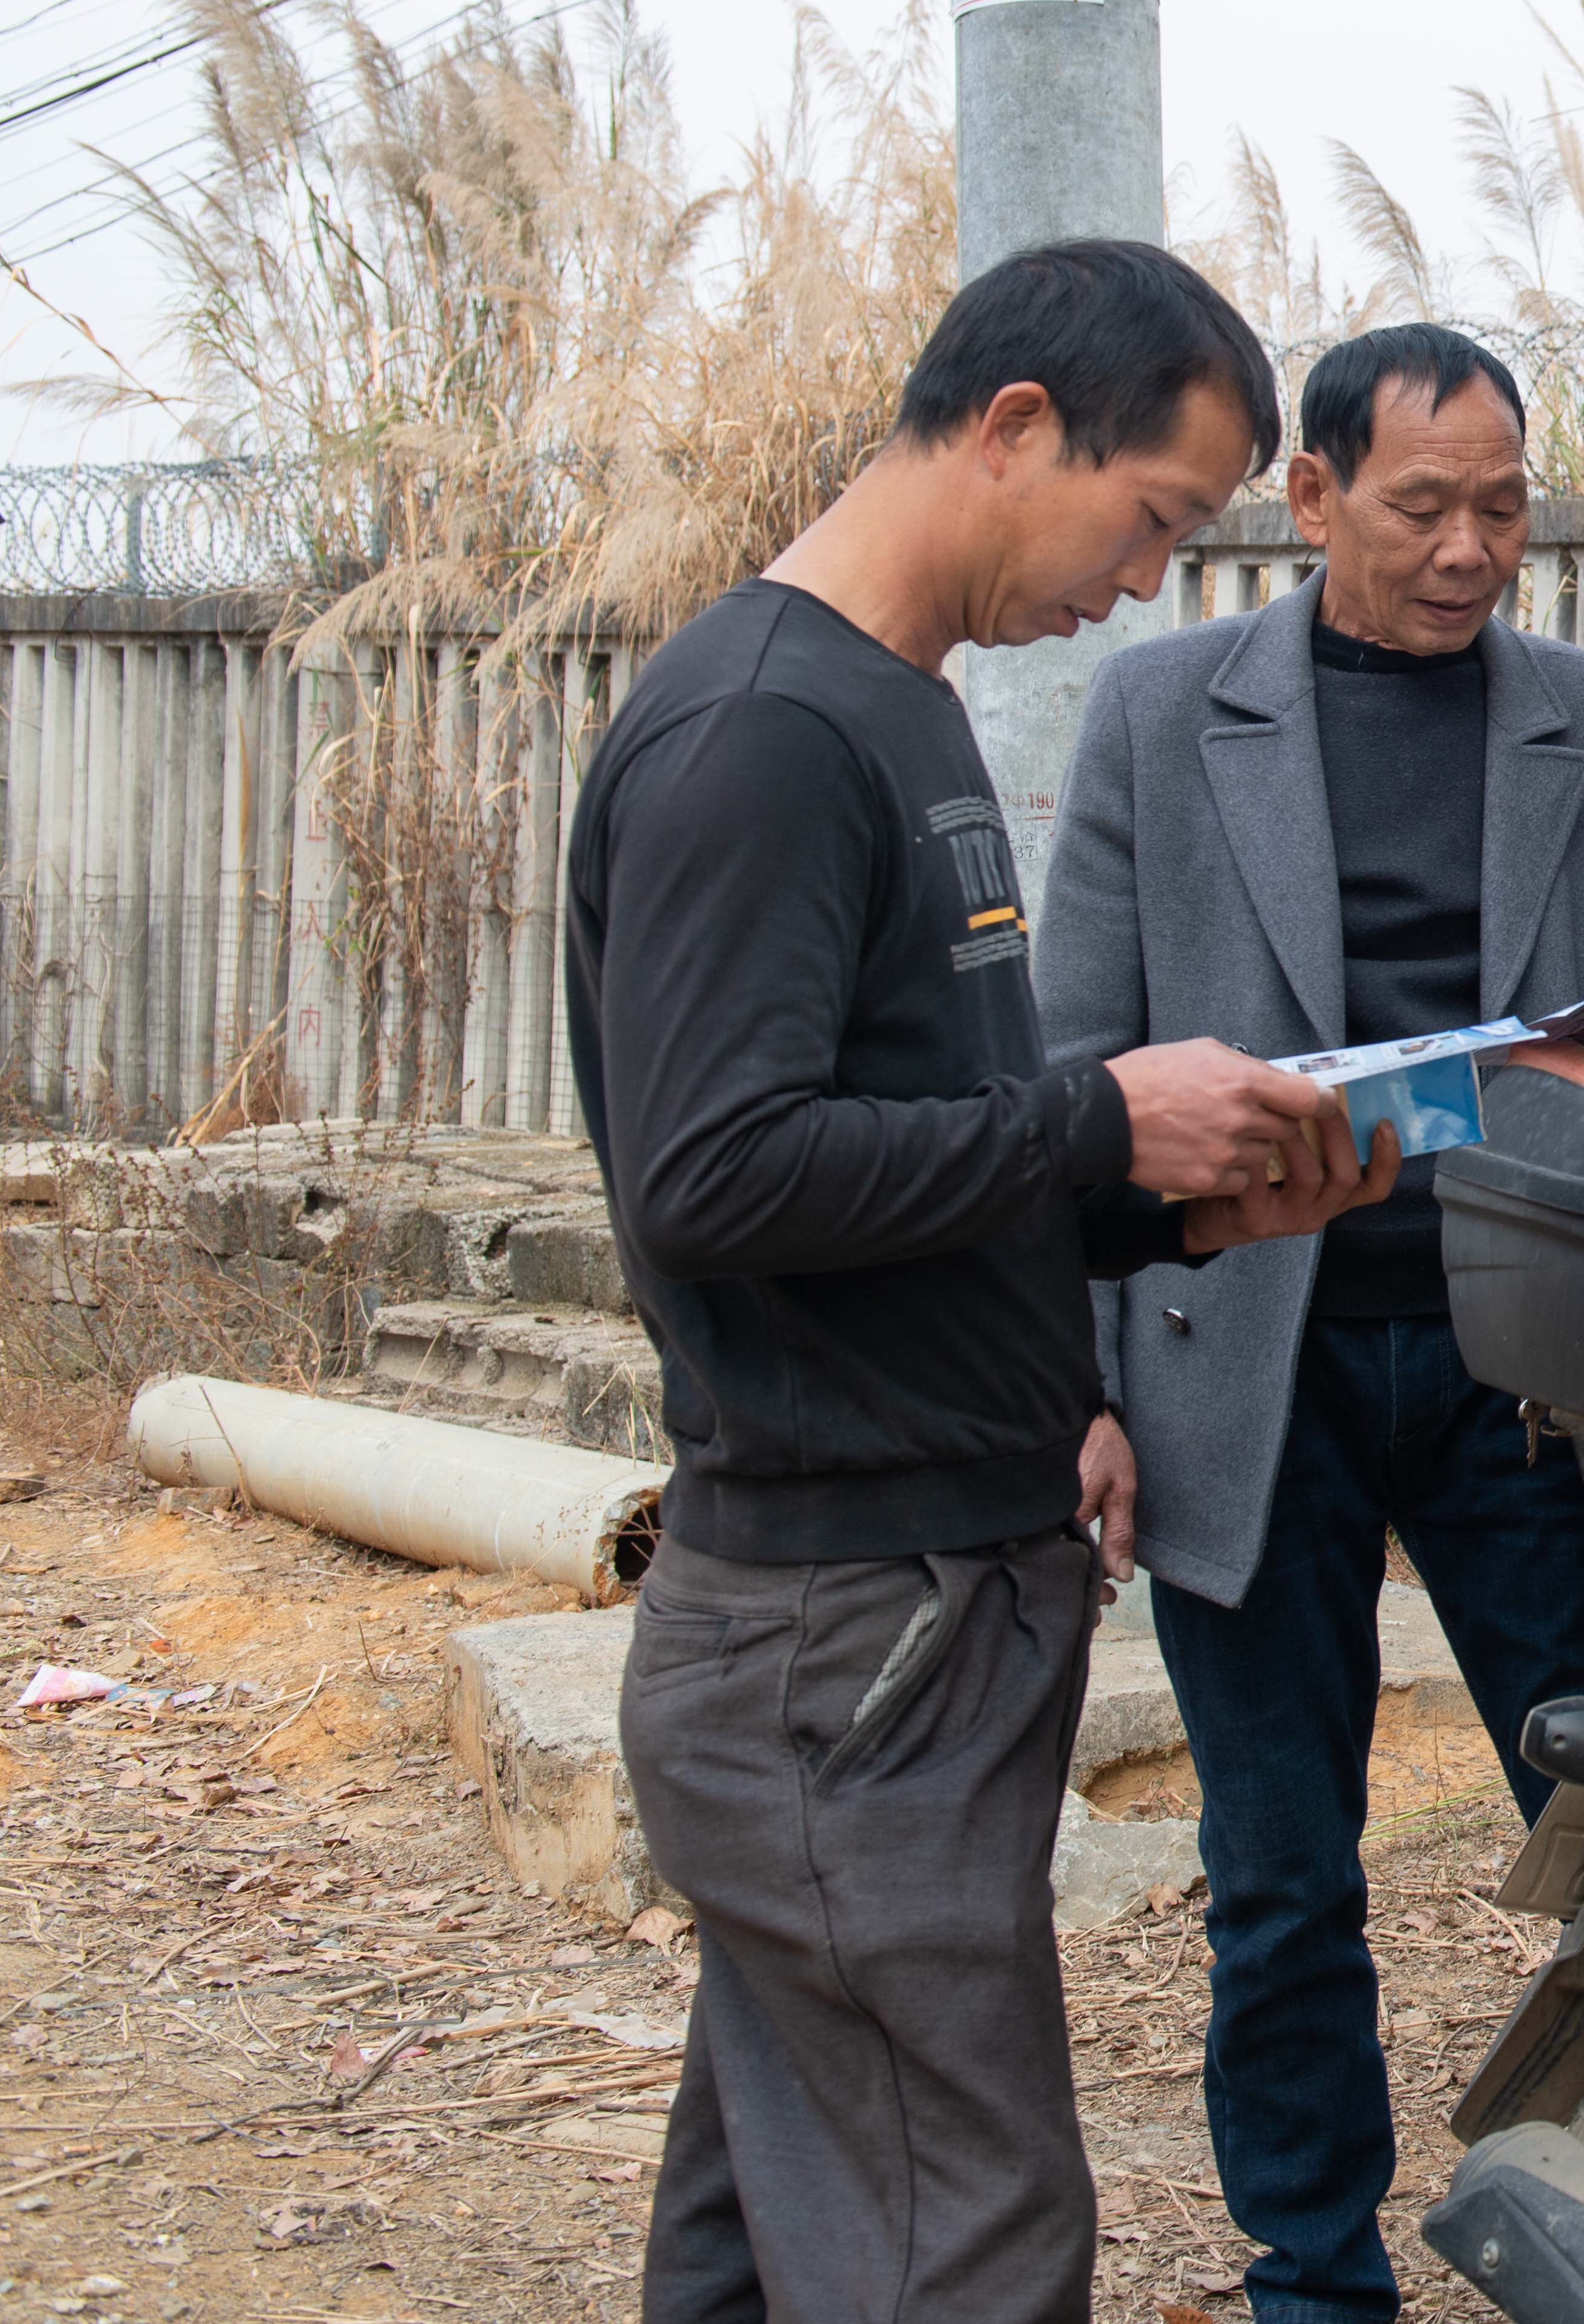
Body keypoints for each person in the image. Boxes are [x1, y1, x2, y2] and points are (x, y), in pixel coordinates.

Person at [567, 235, 1395, 2324]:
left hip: (913, 1603)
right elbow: (713, 1174)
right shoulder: (765, 733)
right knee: (968, 2244)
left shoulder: (900, 709)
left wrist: (1178, 1202)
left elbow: (922, 1152)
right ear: (1020, 428)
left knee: (774, 2220)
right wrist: (1101, 1122)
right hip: (852, 1637)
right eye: (1154, 519)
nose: (1141, 580)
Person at [1034, 322, 1584, 2324]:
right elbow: (1069, 1067)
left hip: (1526, 1368)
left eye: (1505, 506)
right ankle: (1314, 2272)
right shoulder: (1157, 717)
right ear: (1311, 500)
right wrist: (1078, 1390)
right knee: (1285, 1871)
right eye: (1423, 509)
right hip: (1241, 1365)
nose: (1474, 550)